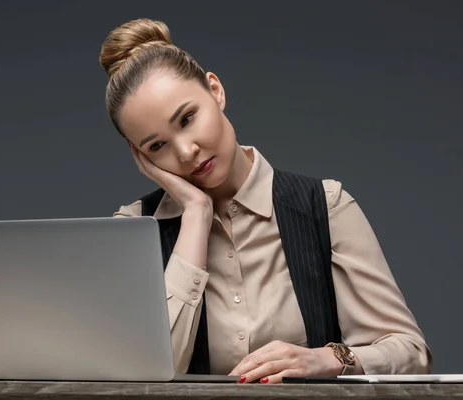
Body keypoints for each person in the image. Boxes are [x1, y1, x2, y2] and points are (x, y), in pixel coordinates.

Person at [100, 18, 432, 384]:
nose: (186, 150)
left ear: (215, 90)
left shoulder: (324, 206)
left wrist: (329, 358)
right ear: (140, 155)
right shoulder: (135, 229)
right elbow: (139, 376)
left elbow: (409, 352)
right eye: (157, 146)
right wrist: (195, 214)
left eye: (187, 118)